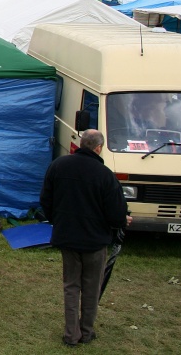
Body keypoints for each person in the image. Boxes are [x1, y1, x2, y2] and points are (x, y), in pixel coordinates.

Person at [40, 129, 129, 347]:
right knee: (91, 287)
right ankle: (86, 331)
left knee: (71, 286)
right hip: (95, 241)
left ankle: (71, 333)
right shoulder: (105, 175)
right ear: (98, 148)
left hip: (68, 237)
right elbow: (117, 213)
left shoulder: (58, 166)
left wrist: (58, 221)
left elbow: (46, 200)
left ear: (81, 144)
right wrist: (121, 221)